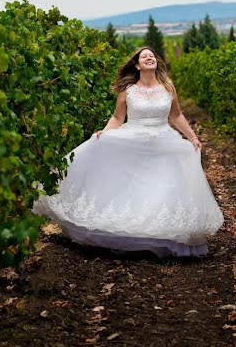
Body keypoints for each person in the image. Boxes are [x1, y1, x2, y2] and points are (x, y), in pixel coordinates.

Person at [32, 47, 224, 257]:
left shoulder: (168, 87)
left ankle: (162, 237)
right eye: (144, 56)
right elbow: (117, 118)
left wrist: (192, 137)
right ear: (137, 65)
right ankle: (131, 237)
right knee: (132, 191)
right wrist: (104, 135)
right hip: (133, 139)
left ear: (156, 63)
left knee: (163, 188)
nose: (149, 57)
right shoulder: (128, 90)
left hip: (163, 143)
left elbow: (176, 116)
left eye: (152, 55)